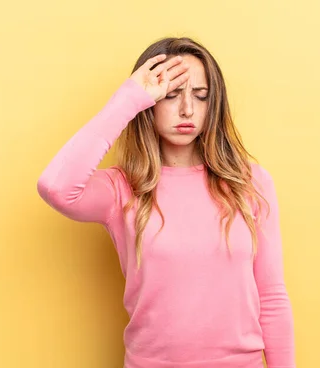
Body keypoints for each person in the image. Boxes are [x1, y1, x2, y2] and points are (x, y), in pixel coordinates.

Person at [37, 37, 295, 368]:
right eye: (171, 95)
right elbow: (56, 187)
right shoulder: (122, 189)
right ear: (149, 102)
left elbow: (272, 298)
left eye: (200, 96)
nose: (187, 109)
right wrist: (127, 100)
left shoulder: (251, 183)